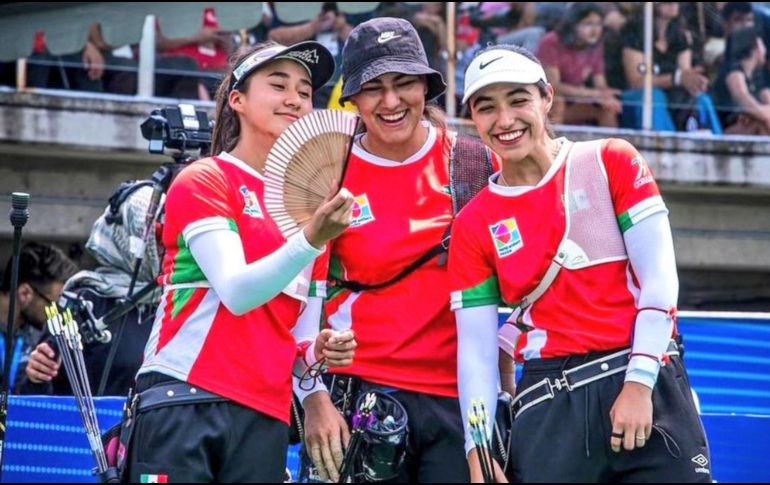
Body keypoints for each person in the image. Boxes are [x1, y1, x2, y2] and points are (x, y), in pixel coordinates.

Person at [450, 44, 712, 483]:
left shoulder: (612, 160)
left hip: (643, 379)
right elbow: (476, 351)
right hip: (550, 404)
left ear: (547, 97)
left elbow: (660, 283)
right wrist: (478, 450)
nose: (505, 120)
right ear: (472, 119)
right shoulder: (473, 223)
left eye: (518, 100)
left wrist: (639, 383)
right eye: (486, 107)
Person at [124, 40, 357, 482]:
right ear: (238, 100)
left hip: (264, 413)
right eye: (278, 84)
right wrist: (310, 239)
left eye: (305, 91)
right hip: (185, 396)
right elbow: (237, 292)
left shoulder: (313, 213)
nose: (294, 98)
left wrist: (320, 361)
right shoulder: (206, 178)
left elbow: (299, 335)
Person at [298, 17, 497, 483]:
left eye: (404, 83)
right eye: (373, 88)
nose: (390, 102)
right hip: (359, 400)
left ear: (426, 88)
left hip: (460, 404)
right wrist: (312, 398)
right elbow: (302, 302)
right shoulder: (329, 168)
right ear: (352, 98)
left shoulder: (474, 163)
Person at [18, 184, 163, 396]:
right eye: (156, 237)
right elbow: (37, 393)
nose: (164, 246)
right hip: (90, 428)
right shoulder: (82, 301)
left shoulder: (175, 300)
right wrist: (35, 375)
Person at [0, 242, 77, 390]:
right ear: (25, 293)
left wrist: (35, 380)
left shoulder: (40, 335)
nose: (58, 315)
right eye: (54, 305)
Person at [537, 2, 621, 127]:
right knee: (558, 101)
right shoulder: (552, 41)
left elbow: (600, 84)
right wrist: (595, 94)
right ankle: (554, 145)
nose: (595, 30)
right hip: (543, 102)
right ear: (573, 25)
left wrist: (607, 97)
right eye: (588, 24)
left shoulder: (595, 46)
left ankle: (612, 147)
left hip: (573, 101)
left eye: (598, 24)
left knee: (608, 109)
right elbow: (553, 86)